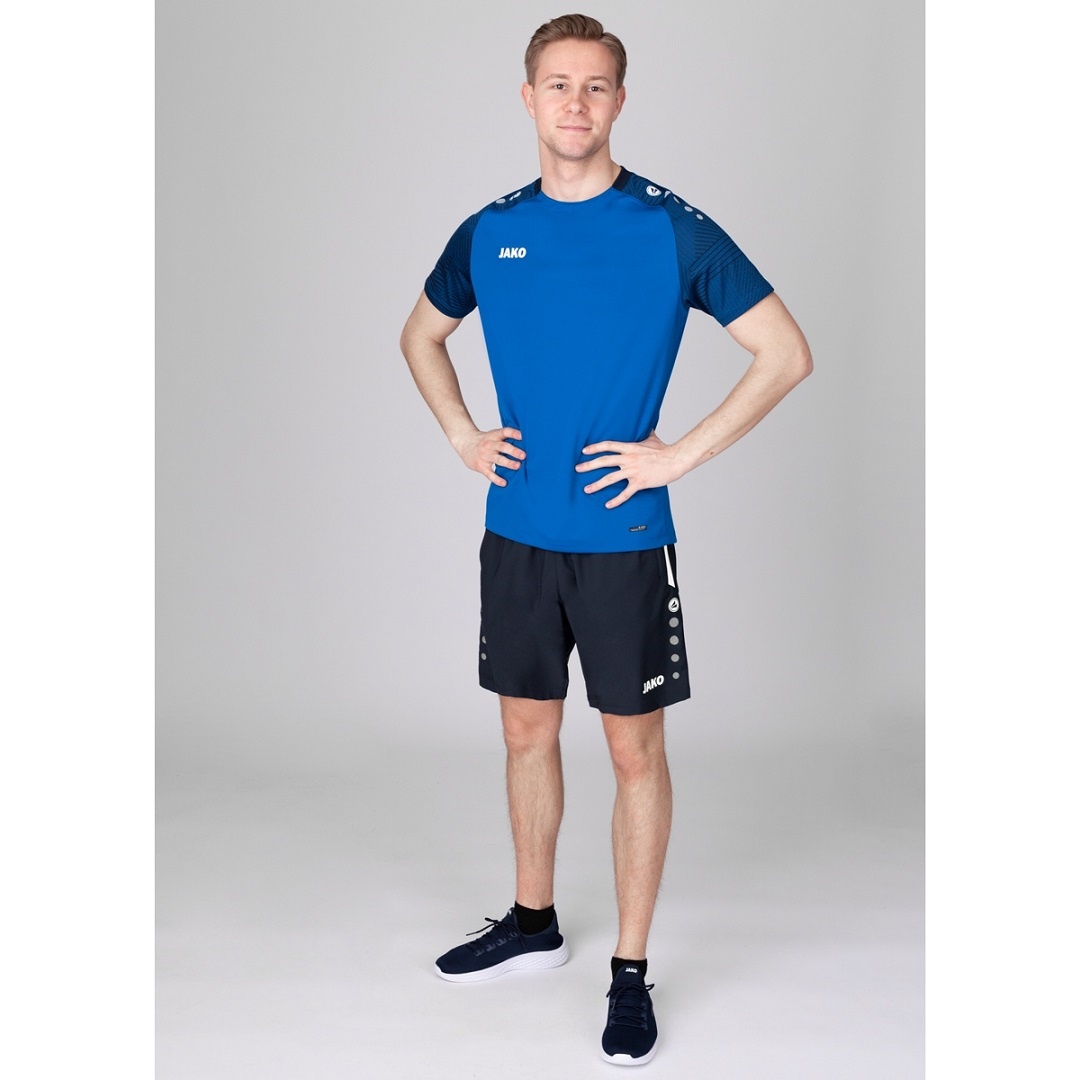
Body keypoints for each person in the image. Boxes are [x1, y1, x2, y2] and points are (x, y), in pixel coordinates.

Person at [399, 12, 811, 1066]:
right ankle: (533, 922)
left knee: (633, 750)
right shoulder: (490, 230)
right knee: (524, 734)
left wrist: (677, 458)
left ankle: (630, 970)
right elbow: (422, 334)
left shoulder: (670, 229)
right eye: (557, 84)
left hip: (625, 539)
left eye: (594, 86)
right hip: (517, 533)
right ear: (527, 98)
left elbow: (784, 352)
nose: (575, 103)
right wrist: (461, 432)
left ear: (620, 101)